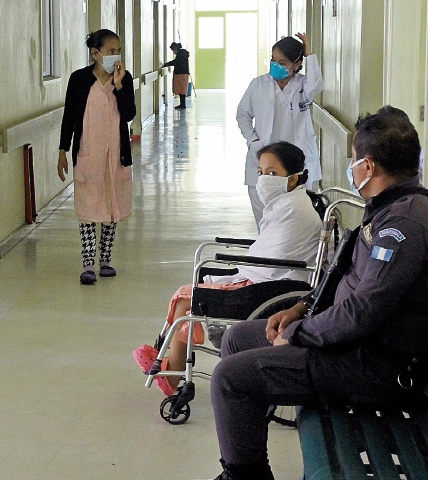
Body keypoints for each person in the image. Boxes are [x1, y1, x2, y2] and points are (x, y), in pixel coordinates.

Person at [209, 107, 428, 480]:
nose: (352, 168)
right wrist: (300, 308)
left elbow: (362, 311)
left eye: (355, 161)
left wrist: (299, 335)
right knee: (237, 338)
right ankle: (246, 461)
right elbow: (344, 279)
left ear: (369, 167)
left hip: (379, 365)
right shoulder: (388, 208)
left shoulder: (403, 224)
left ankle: (243, 476)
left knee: (230, 377)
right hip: (358, 345)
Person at [133, 141, 322, 395]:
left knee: (185, 297)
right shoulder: (288, 204)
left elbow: (269, 260)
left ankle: (173, 372)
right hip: (271, 279)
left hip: (270, 289)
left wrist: (233, 268)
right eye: (261, 172)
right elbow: (268, 251)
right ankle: (168, 363)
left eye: (272, 173)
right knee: (190, 294)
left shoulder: (293, 210)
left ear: (292, 179)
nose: (264, 179)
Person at [57, 29, 136, 285]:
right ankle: (88, 264)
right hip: (88, 154)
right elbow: (69, 117)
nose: (116, 56)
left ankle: (106, 260)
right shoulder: (79, 80)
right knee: (89, 210)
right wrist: (62, 151)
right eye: (111, 51)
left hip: (116, 156)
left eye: (118, 51)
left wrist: (119, 85)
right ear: (95, 53)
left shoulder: (124, 79)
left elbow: (128, 115)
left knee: (112, 208)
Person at [237, 33, 324, 229]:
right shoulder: (258, 85)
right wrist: (252, 140)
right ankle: (269, 254)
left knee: (299, 221)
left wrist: (309, 53)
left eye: (282, 62)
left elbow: (317, 83)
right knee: (266, 221)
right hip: (264, 158)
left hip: (297, 158)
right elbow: (242, 115)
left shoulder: (304, 86)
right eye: (273, 60)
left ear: (296, 64)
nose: (275, 65)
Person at [162, 42, 190, 109]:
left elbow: (176, 62)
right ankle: (182, 104)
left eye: (173, 49)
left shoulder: (181, 54)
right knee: (181, 89)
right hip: (182, 73)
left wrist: (167, 64)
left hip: (181, 73)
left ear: (175, 48)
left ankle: (182, 105)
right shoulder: (182, 53)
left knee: (182, 89)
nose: (173, 51)